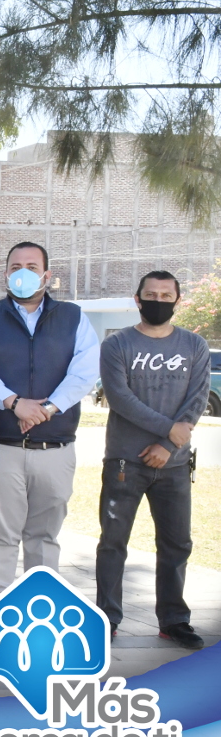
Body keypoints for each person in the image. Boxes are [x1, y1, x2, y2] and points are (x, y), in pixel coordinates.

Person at [0, 241, 99, 605]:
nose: (23, 272)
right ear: (5, 274)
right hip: (1, 447)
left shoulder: (73, 317)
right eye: (15, 266)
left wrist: (47, 409)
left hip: (56, 448)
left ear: (46, 275)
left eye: (32, 266)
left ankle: (41, 616)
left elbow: (85, 371)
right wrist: (14, 403)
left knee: (44, 539)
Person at [95, 271, 211, 650]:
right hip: (124, 464)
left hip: (174, 466)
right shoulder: (117, 345)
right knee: (113, 543)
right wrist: (169, 430)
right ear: (137, 299)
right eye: (151, 294)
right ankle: (107, 619)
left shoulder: (194, 345)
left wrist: (168, 445)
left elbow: (197, 398)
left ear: (177, 300)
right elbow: (120, 398)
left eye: (165, 295)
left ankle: (174, 620)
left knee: (177, 544)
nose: (158, 300)